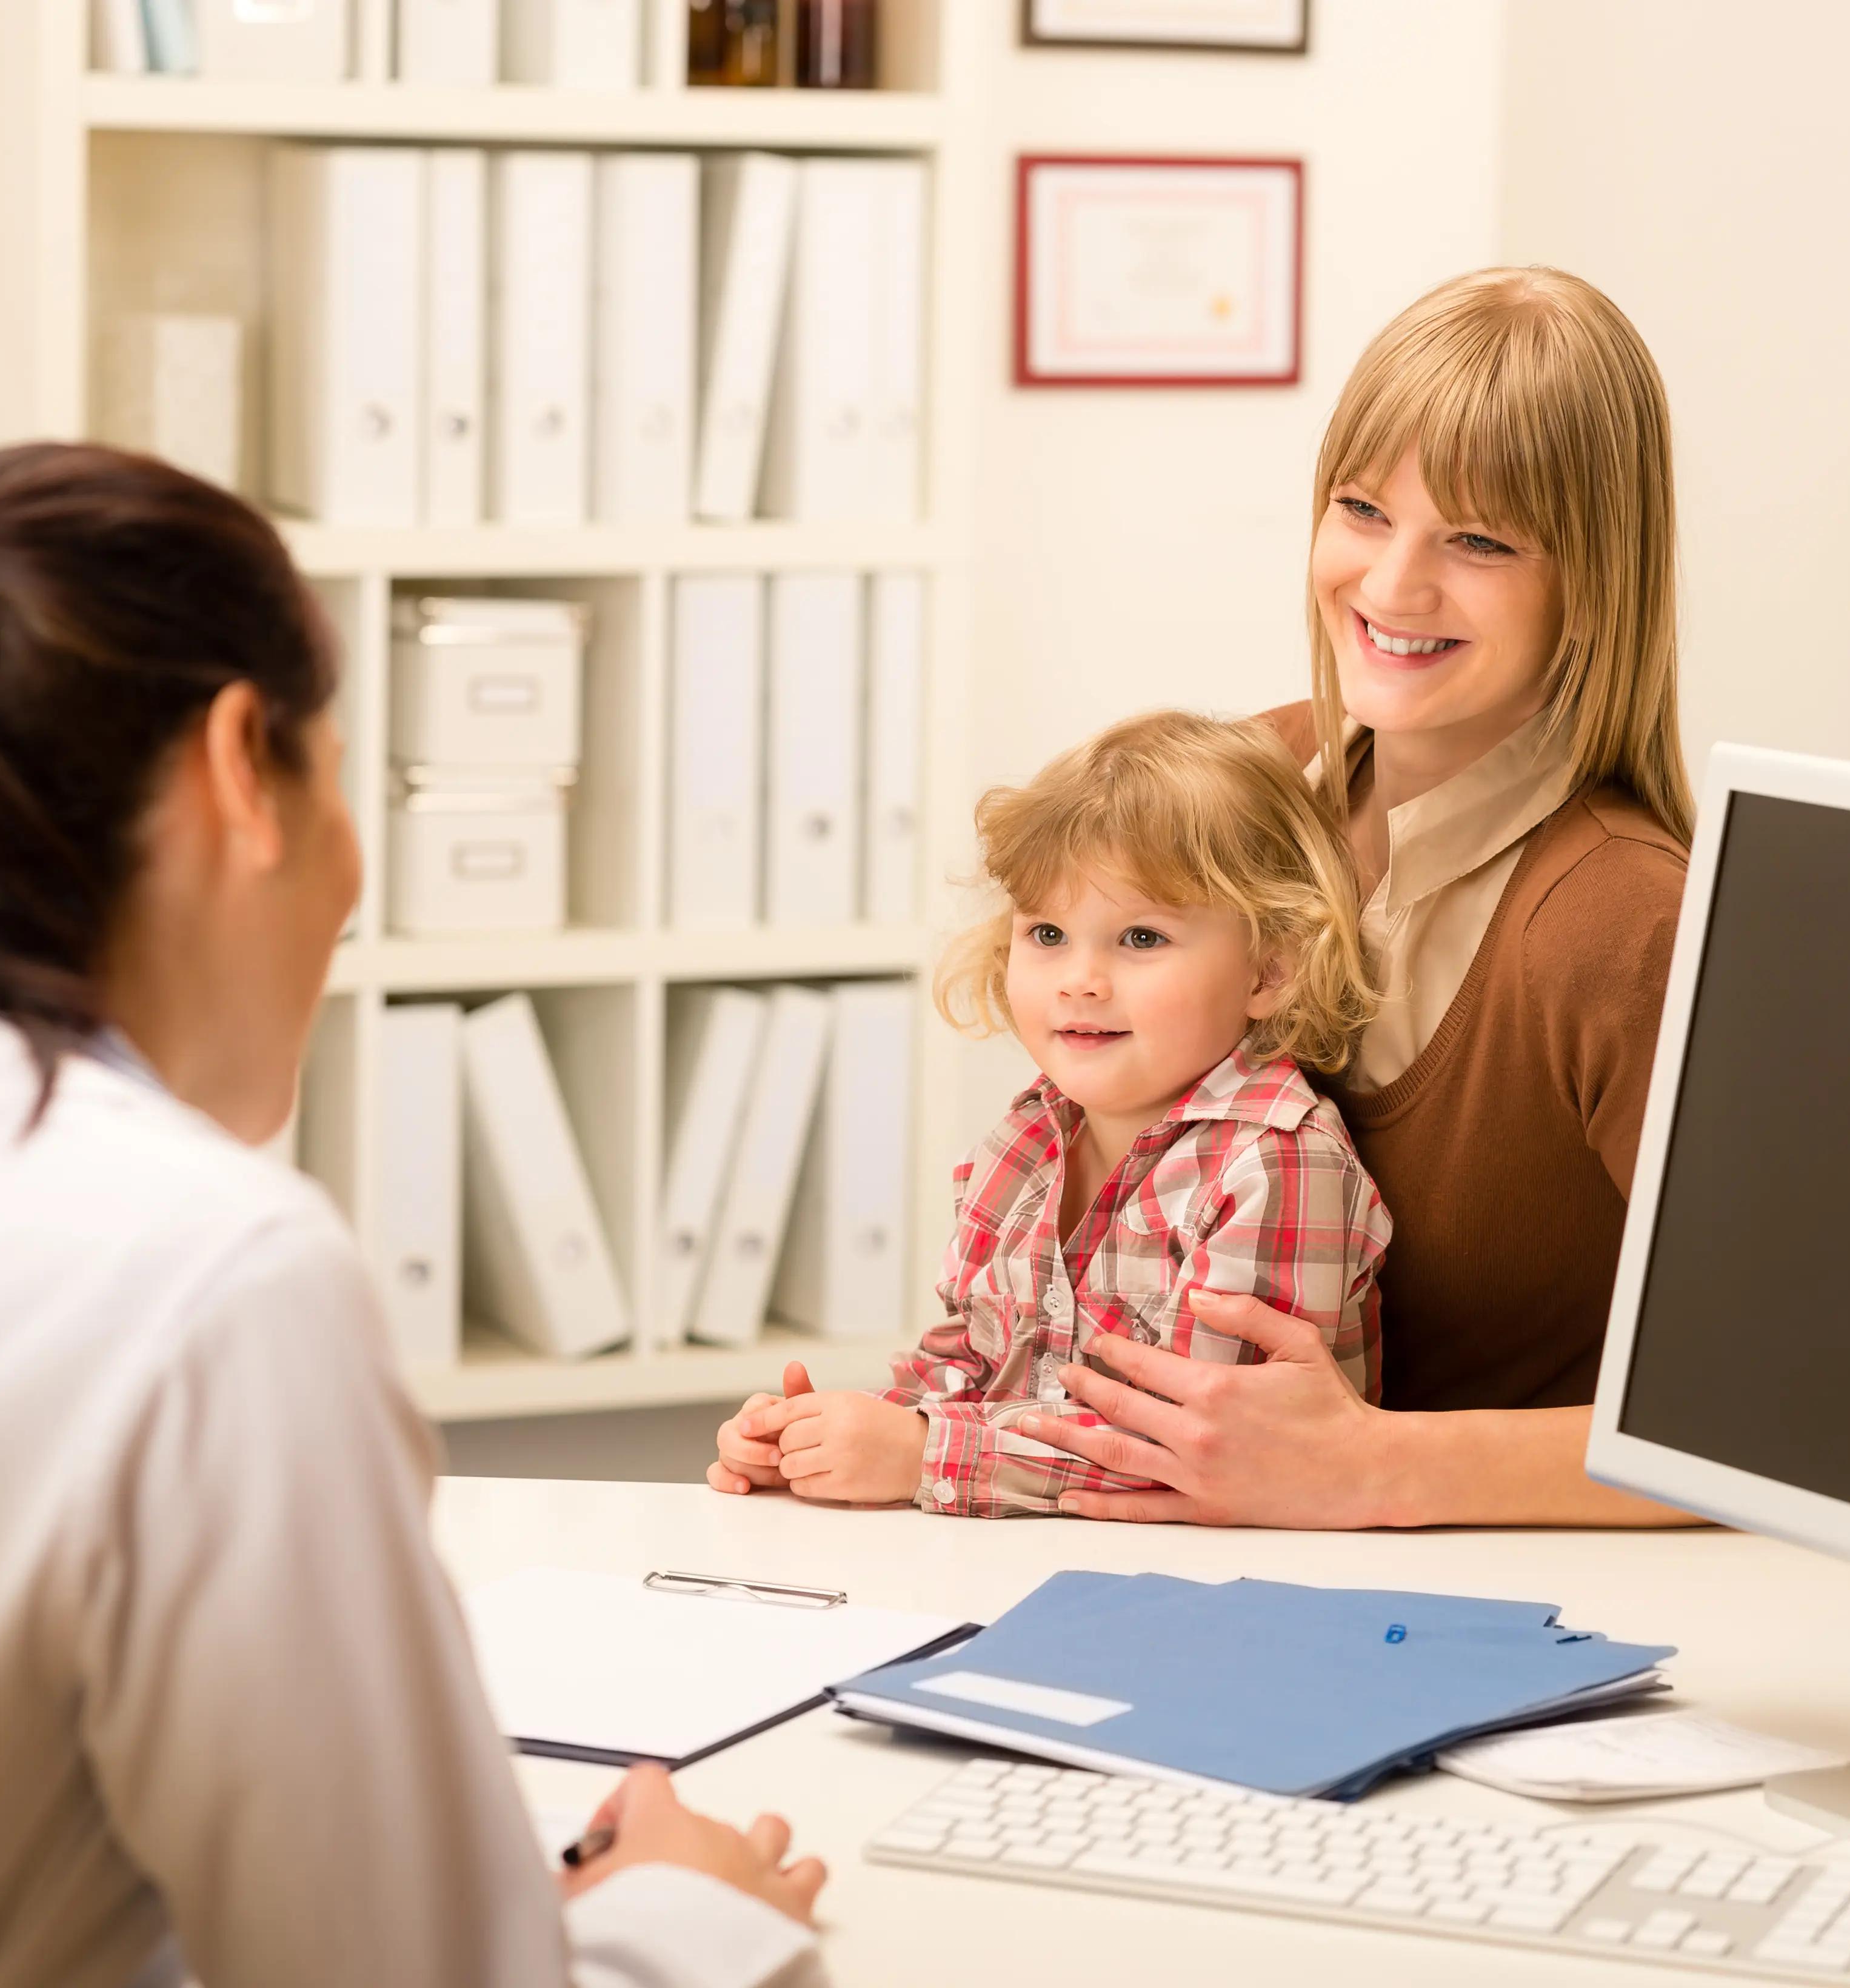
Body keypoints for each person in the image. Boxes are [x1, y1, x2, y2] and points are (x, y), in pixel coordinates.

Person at [0, 443, 830, 1988]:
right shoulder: (207, 1272)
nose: (353, 877)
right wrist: (685, 1915)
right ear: (238, 766)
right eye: (339, 774)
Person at [1024, 269, 1703, 1530]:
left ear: (1589, 582)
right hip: (1170, 1548)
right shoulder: (1244, 785)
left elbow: (1762, 1420)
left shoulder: (1625, 923)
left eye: (1480, 539)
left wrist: (1374, 1464)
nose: (1392, 585)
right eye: (1362, 509)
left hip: (1490, 1610)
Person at [707, 711, 1389, 1516]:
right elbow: (967, 1363)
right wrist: (826, 1439)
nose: (1081, 979)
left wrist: (927, 1454)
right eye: (1048, 933)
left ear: (1269, 970)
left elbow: (1207, 1449)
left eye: (1141, 936)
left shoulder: (1275, 1163)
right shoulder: (1028, 1140)